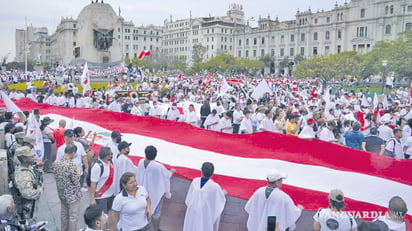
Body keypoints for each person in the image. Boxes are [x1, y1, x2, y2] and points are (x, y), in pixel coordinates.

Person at [136, 145, 175, 231]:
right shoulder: (158, 166)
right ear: (155, 155)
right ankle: (156, 229)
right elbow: (166, 177)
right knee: (156, 213)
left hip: (142, 192)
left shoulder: (140, 162)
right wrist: (171, 172)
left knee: (142, 210)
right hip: (155, 194)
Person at [183, 162, 226, 231]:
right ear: (212, 173)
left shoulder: (195, 182)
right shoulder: (215, 187)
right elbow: (218, 202)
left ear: (201, 171)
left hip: (193, 213)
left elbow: (188, 200)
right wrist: (223, 194)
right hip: (205, 215)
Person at [53, 144, 81, 231]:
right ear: (73, 153)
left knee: (64, 215)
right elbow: (76, 181)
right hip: (72, 195)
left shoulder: (56, 163)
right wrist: (78, 174)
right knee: (73, 216)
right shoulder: (71, 165)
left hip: (61, 193)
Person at [13, 146, 43, 222]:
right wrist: (40, 190)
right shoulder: (23, 174)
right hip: (26, 210)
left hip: (31, 207)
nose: (34, 157)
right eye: (31, 156)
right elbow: (28, 194)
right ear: (24, 159)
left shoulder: (28, 167)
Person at [89, 147, 115, 214]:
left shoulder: (110, 162)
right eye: (111, 154)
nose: (112, 155)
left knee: (107, 214)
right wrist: (92, 199)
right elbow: (93, 184)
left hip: (110, 195)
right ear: (107, 156)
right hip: (101, 197)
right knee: (102, 217)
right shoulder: (97, 166)